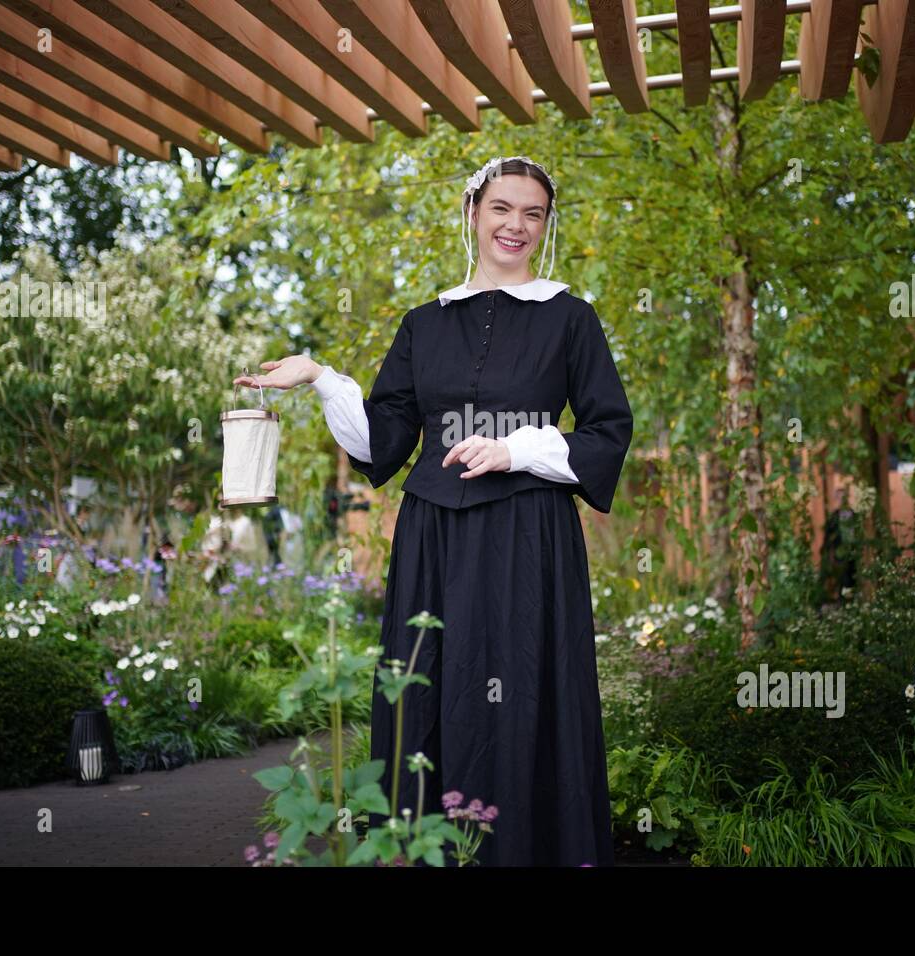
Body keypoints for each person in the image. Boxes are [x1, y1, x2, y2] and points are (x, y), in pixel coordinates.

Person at [235, 156, 632, 867]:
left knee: (521, 694)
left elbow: (608, 433)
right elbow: (384, 444)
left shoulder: (571, 318)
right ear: (473, 211)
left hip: (526, 539)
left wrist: (516, 451)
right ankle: (428, 854)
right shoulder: (424, 325)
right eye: (502, 208)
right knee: (427, 693)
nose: (516, 225)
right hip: (432, 540)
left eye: (532, 213)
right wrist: (322, 379)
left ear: (545, 226)